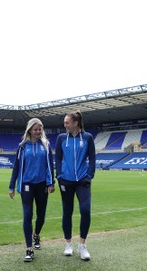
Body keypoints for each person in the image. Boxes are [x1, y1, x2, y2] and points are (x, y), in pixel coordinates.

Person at [9, 118, 55, 262]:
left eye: (40, 129)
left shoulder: (46, 145)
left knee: (41, 216)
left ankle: (36, 234)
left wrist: (51, 183)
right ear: (29, 130)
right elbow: (16, 167)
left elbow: (49, 166)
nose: (38, 132)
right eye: (35, 129)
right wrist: (11, 186)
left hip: (42, 185)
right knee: (27, 215)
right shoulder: (22, 147)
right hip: (27, 185)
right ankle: (29, 248)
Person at [55, 110, 96, 261]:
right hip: (66, 180)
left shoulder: (87, 138)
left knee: (85, 211)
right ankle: (68, 244)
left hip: (82, 181)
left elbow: (92, 158)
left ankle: (82, 245)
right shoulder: (60, 138)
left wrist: (90, 176)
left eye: (67, 122)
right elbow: (58, 158)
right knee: (67, 212)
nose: (64, 125)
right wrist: (59, 176)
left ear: (75, 123)